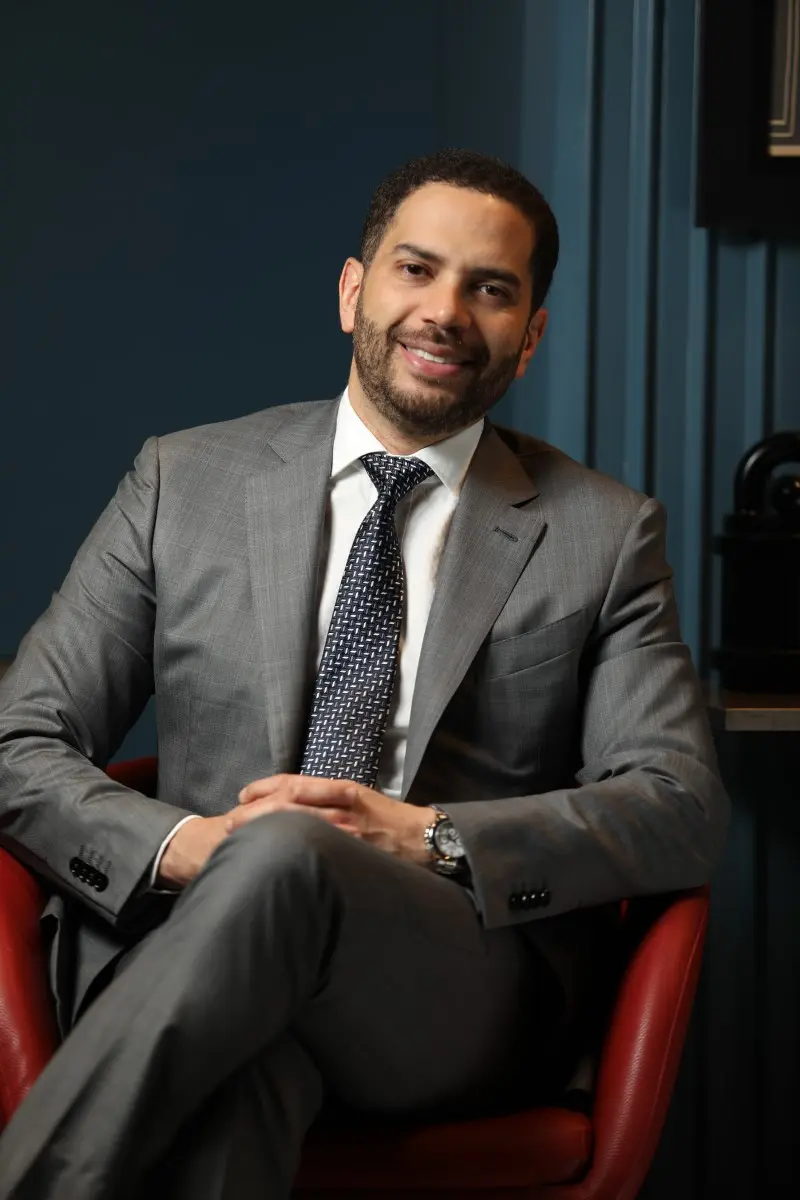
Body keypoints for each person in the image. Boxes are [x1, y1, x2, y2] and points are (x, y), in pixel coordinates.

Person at [0, 148, 729, 1199]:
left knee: (293, 854)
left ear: (526, 338)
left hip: (443, 998)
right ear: (353, 292)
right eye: (414, 270)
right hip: (181, 965)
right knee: (243, 1084)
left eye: (489, 289)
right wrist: (188, 847)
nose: (444, 310)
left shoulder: (601, 534)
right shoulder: (180, 481)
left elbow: (677, 807)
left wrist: (427, 836)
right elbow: (19, 740)